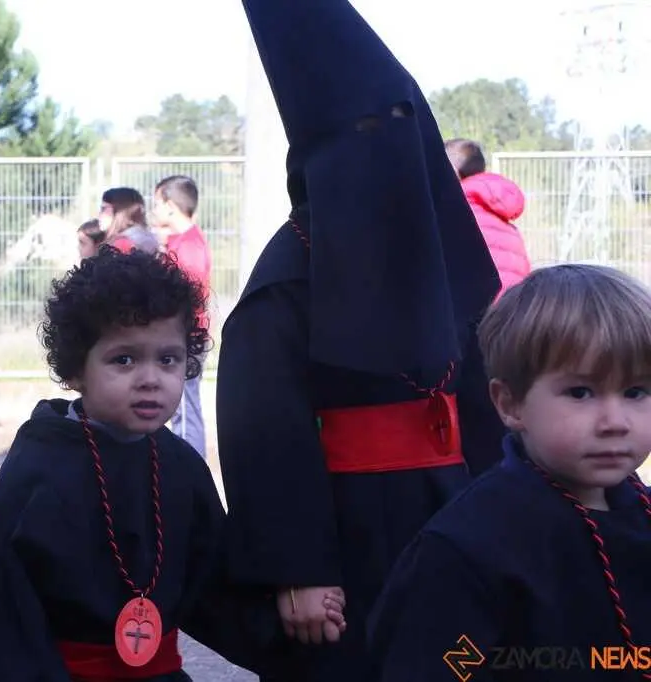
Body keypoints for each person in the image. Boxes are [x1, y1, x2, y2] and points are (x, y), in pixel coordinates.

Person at [216, 1, 508, 680]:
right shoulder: (290, 274)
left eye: (403, 127)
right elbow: (266, 432)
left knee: (457, 663)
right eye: (370, 131)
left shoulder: (439, 256)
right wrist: (299, 568)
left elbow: (490, 395)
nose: (392, 147)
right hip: (343, 545)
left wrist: (510, 511)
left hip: (451, 513)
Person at [0, 247, 347, 681]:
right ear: (77, 369)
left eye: (168, 359)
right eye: (124, 359)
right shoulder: (40, 466)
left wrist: (293, 623)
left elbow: (214, 588)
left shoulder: (179, 466)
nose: (150, 378)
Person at [368, 264, 651, 681]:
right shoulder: (469, 549)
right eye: (580, 392)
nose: (615, 421)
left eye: (635, 392)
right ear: (510, 404)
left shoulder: (641, 514)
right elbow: (444, 665)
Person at [151, 175, 211, 458]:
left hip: (188, 337)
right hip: (180, 336)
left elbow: (188, 296)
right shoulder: (179, 242)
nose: (154, 211)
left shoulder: (188, 247)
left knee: (186, 409)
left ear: (171, 206)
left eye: (157, 203)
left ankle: (192, 469)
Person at [445, 138, 531, 299]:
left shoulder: (456, 212)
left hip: (479, 315)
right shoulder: (502, 218)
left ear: (452, 172)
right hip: (512, 313)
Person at [99, 186, 159, 254]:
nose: (99, 214)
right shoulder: (149, 238)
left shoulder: (122, 244)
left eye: (104, 208)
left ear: (121, 211)